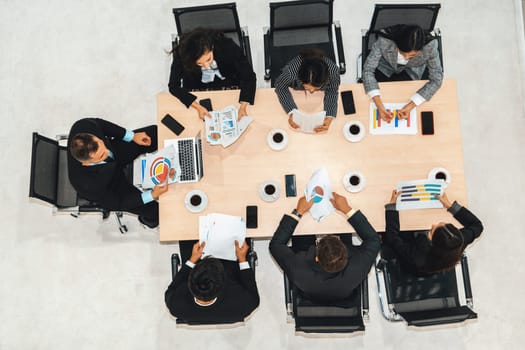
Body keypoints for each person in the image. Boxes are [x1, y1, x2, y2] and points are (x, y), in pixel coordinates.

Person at [269, 193, 380, 302]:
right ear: (345, 253)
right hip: (341, 289)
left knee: (303, 233)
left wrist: (298, 212)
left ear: (316, 258)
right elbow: (374, 240)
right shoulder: (357, 269)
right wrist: (347, 209)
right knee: (342, 227)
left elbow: (275, 245)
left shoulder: (299, 270)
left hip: (310, 285)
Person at [67, 118, 168, 228]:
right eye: (101, 156)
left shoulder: (84, 126)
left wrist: (132, 136)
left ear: (95, 137)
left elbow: (103, 125)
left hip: (116, 151)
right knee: (156, 212)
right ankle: (148, 222)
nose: (107, 153)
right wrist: (152, 195)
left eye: (102, 145)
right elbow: (118, 203)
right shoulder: (88, 185)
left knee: (153, 133)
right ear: (86, 163)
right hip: (110, 183)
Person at [382, 190, 483, 274]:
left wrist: (391, 207)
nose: (433, 225)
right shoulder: (459, 241)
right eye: (440, 224)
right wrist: (449, 206)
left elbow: (392, 237)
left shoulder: (419, 257)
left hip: (413, 254)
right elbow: (477, 226)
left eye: (432, 231)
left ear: (432, 242)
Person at [168, 28, 256, 120]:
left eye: (208, 59)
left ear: (212, 48)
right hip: (198, 92)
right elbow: (173, 86)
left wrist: (243, 107)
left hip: (229, 90)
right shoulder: (182, 54)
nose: (206, 66)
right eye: (199, 63)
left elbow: (249, 77)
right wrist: (197, 107)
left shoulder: (227, 46)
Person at [165, 240, 260, 323]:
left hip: (200, 264)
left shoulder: (175, 305)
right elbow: (251, 289)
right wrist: (242, 259)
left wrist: (192, 259)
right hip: (230, 265)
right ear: (224, 284)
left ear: (189, 283)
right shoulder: (244, 304)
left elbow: (173, 287)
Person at [362, 24, 443, 122]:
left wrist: (411, 105)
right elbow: (368, 70)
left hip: (412, 71)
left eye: (412, 55)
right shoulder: (384, 41)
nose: (406, 57)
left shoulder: (431, 46)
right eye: (402, 53)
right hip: (385, 68)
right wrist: (379, 106)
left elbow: (437, 78)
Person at [274, 49, 341, 133]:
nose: (312, 91)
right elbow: (280, 86)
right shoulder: (291, 72)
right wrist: (291, 111)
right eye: (307, 88)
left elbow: (332, 89)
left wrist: (329, 115)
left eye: (316, 88)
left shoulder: (333, 71)